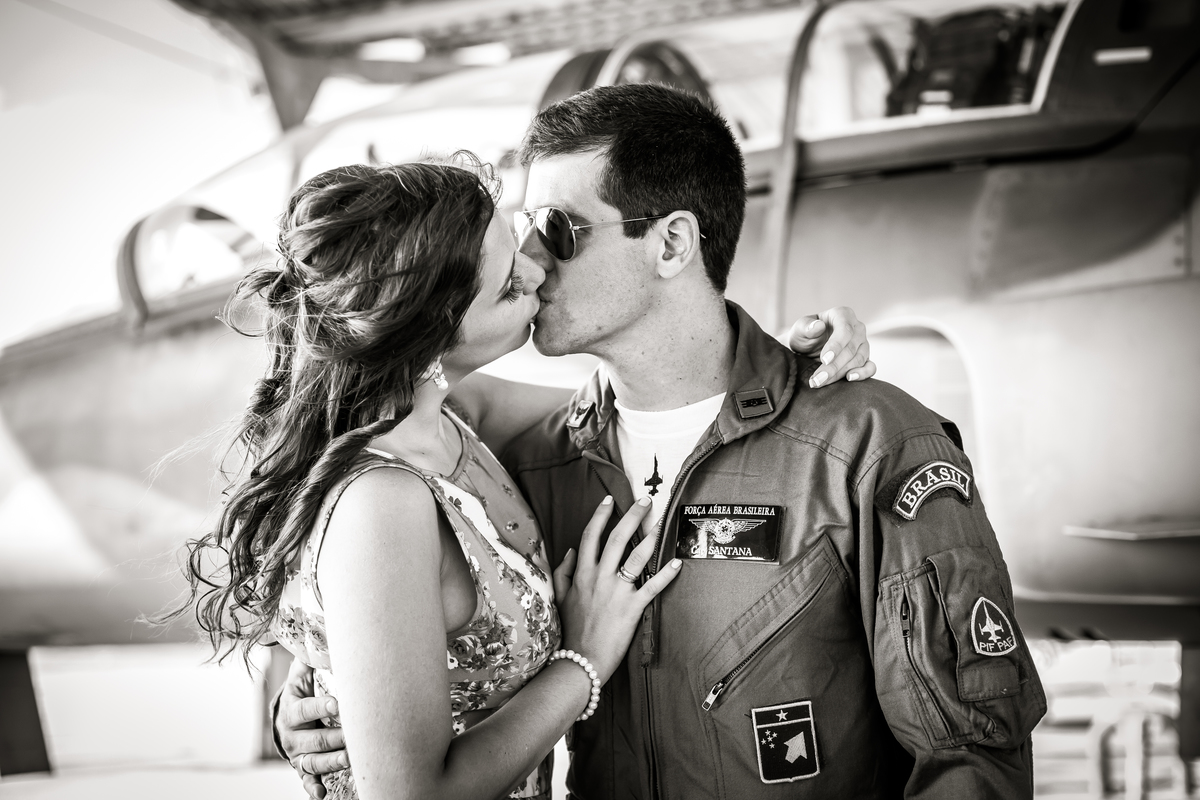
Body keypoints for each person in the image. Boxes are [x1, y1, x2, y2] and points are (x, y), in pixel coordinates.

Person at [279, 84, 1047, 798]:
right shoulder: (524, 461)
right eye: (521, 232)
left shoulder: (862, 447)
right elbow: (357, 374)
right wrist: (323, 690)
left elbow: (969, 759)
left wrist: (797, 408)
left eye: (557, 230)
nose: (530, 264)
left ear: (674, 244)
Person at [177, 157, 872, 800]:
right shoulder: (381, 503)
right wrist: (585, 659)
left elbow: (661, 410)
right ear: (429, 334)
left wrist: (787, 364)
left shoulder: (459, 425)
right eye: (511, 284)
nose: (539, 273)